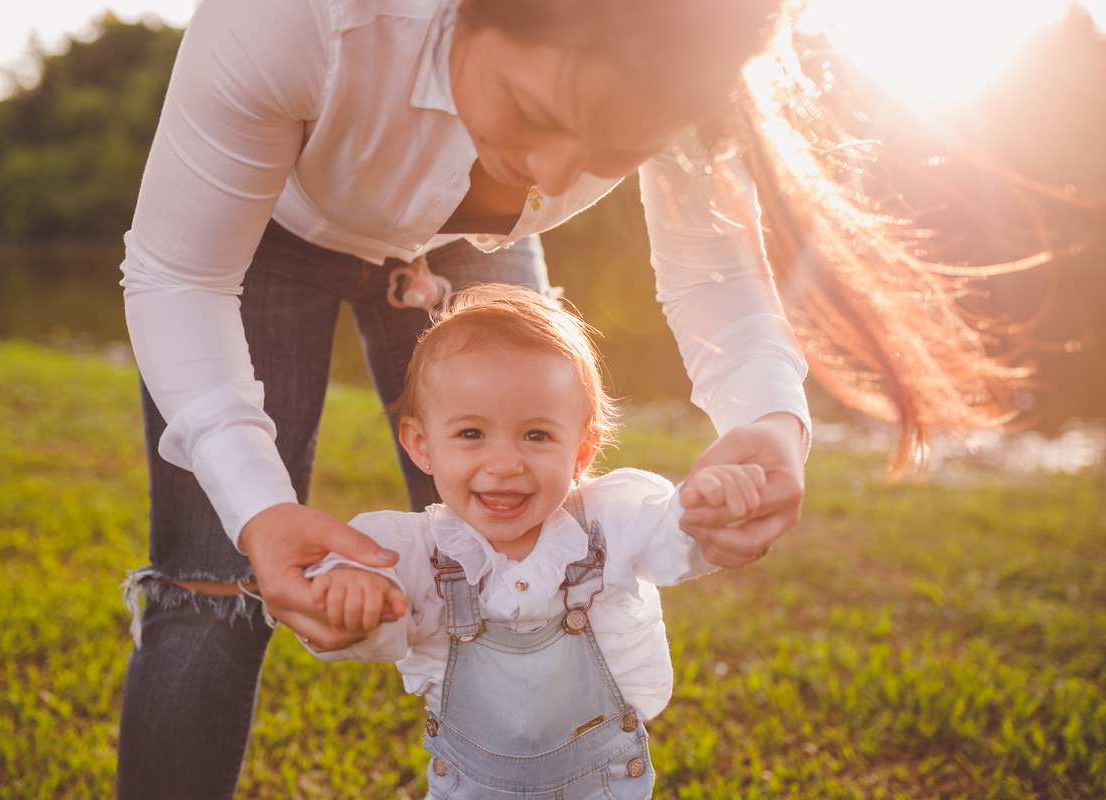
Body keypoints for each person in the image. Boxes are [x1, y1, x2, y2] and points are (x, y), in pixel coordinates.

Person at [116, 0, 815, 796]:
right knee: (215, 584)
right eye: (536, 112)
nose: (555, 176)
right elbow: (179, 276)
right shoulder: (296, 18)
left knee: (535, 543)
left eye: (611, 150)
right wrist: (256, 508)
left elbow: (718, 273)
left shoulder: (685, 58)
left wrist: (767, 422)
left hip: (470, 246)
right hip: (266, 237)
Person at [303, 285, 767, 799]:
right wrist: (350, 592)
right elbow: (359, 583)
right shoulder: (412, 550)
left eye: (537, 435)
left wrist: (709, 513)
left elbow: (668, 528)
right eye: (472, 434)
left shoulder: (607, 521)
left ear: (582, 450)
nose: (504, 465)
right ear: (421, 445)